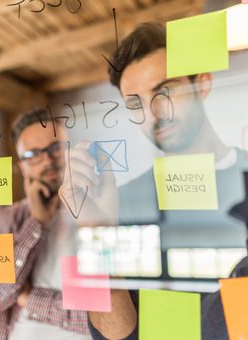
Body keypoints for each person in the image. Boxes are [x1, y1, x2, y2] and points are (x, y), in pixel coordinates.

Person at [58, 23, 248, 339]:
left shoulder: (244, 177)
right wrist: (95, 233)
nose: (152, 115)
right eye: (135, 104)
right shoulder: (124, 200)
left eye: (165, 91)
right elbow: (111, 335)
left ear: (202, 84)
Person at [0, 109, 91, 340]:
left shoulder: (99, 212)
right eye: (33, 154)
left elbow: (105, 320)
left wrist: (29, 298)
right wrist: (36, 224)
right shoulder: (6, 220)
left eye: (56, 147)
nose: (47, 159)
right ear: (23, 167)